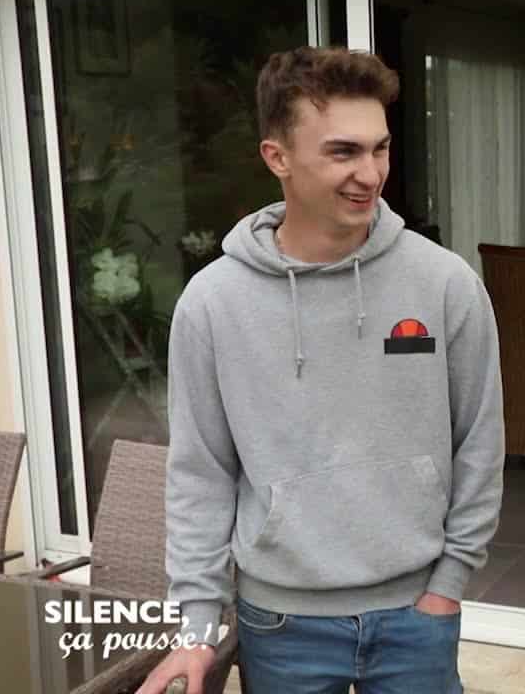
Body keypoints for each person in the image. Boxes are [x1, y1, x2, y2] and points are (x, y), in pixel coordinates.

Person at [139, 46, 504, 694]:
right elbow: (201, 474)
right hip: (281, 625)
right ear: (277, 157)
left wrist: (449, 584)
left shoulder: (445, 284)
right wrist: (196, 627)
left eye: (380, 149)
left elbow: (479, 442)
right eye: (343, 152)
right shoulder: (214, 304)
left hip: (416, 619)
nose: (371, 173)